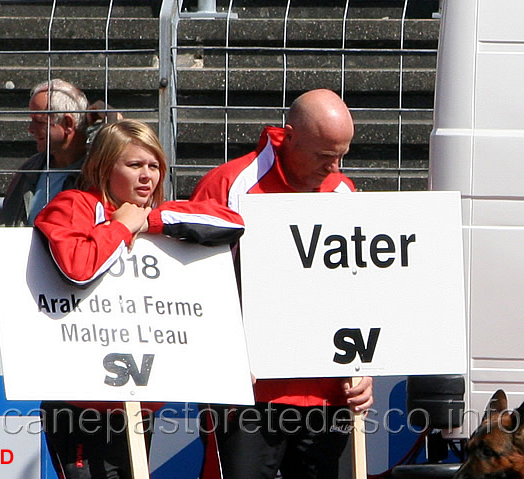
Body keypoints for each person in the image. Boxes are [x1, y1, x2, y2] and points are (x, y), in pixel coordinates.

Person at [34, 119, 245, 479]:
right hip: (81, 401)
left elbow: (233, 222)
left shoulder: (153, 215)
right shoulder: (72, 205)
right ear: (103, 167)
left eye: (154, 166)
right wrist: (120, 227)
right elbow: (77, 269)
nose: (147, 176)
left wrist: (147, 223)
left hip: (139, 400)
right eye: (134, 165)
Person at [190, 89, 375, 479]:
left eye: (342, 155)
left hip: (330, 392)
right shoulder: (231, 185)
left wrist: (366, 365)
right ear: (289, 137)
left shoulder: (343, 191)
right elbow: (196, 289)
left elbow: (359, 288)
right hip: (248, 396)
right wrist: (223, 360)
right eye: (325, 156)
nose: (335, 167)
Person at [0, 78, 121, 226]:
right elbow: (6, 227)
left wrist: (113, 124)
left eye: (39, 121)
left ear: (68, 123)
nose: (30, 129)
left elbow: (121, 159)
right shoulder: (29, 170)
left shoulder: (95, 172)